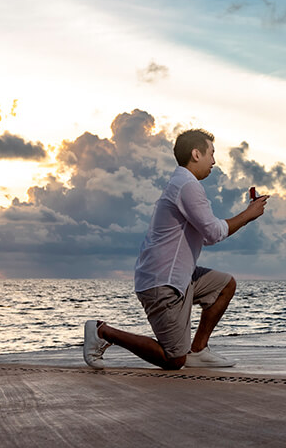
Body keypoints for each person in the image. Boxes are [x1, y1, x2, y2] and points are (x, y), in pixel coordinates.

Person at [83, 128, 269, 370]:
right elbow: (213, 232)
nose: (214, 161)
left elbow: (207, 236)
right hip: (162, 282)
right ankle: (101, 331)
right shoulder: (187, 186)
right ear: (196, 154)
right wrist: (248, 215)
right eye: (211, 154)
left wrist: (246, 216)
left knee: (225, 284)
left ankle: (199, 350)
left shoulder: (184, 184)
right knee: (173, 360)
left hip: (180, 277)